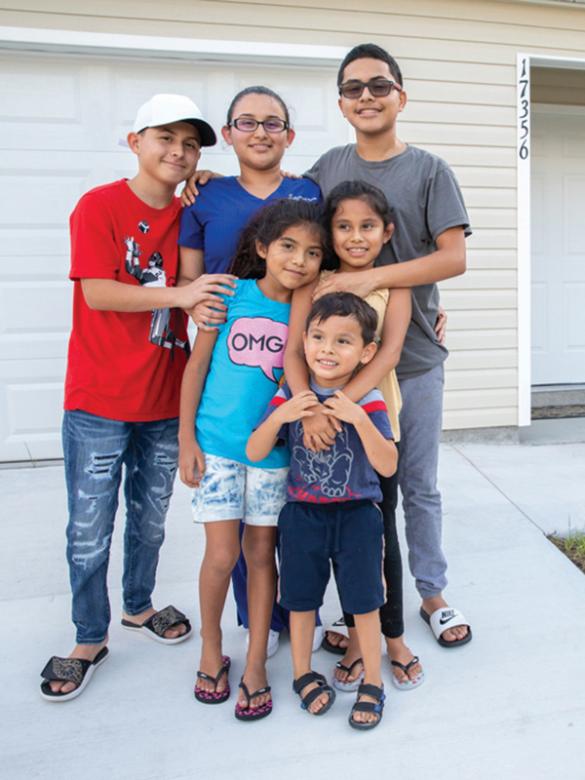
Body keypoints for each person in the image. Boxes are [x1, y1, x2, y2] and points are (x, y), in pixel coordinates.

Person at [39, 94, 237, 702]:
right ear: (135, 142)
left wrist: (214, 180)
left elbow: (235, 214)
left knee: (150, 522)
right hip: (98, 400)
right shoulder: (99, 205)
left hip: (160, 401)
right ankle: (87, 636)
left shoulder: (192, 212)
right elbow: (99, 292)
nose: (178, 153)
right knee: (90, 526)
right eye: (165, 139)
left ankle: (138, 605)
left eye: (191, 145)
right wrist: (181, 296)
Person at [305, 43, 473, 649]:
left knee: (417, 483)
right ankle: (357, 607)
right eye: (353, 88)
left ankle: (432, 593)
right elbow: (282, 225)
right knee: (350, 491)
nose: (367, 96)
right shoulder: (325, 168)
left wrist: (374, 278)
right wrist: (213, 182)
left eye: (379, 85)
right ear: (342, 102)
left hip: (416, 358)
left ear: (401, 96)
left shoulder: (429, 171)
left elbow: (453, 256)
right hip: (343, 363)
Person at [178, 85, 322, 657]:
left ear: (290, 135)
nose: (260, 132)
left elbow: (338, 249)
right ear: (230, 131)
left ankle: (265, 641)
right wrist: (185, 434)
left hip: (275, 426)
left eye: (273, 123)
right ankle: (225, 640)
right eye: (246, 122)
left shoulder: (309, 193)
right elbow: (192, 290)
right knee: (225, 550)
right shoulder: (206, 199)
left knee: (266, 545)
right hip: (220, 415)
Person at [285, 179, 424, 690]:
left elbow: (387, 353)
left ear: (385, 232)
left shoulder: (396, 283)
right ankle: (352, 630)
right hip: (313, 425)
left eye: (367, 226)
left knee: (378, 530)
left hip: (372, 421)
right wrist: (310, 410)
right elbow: (293, 352)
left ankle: (392, 638)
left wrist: (343, 407)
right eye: (343, 226)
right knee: (327, 530)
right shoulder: (315, 280)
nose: (355, 236)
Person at [247, 292, 397, 731]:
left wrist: (358, 417)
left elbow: (387, 464)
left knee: (365, 602)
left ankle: (373, 680)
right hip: (302, 515)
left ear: (367, 352)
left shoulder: (367, 398)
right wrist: (281, 417)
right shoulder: (292, 395)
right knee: (300, 600)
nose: (327, 349)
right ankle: (301, 673)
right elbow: (255, 450)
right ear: (304, 341)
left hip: (357, 516)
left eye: (343, 341)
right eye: (318, 337)